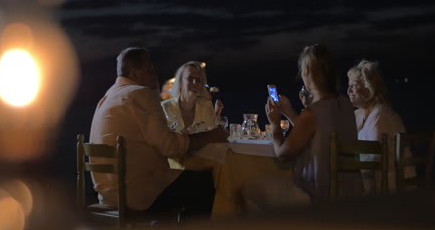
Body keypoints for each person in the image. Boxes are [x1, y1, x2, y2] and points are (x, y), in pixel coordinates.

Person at [89, 48, 228, 217]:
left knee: (186, 182)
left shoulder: (106, 98)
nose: (154, 74)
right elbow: (170, 147)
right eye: (150, 69)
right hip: (136, 194)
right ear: (136, 72)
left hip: (108, 194)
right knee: (204, 183)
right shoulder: (139, 94)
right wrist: (212, 135)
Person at [243, 44, 363, 209]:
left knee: (249, 187)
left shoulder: (312, 113)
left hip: (317, 195)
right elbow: (315, 133)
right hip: (350, 192)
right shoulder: (345, 105)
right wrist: (290, 112)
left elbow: (283, 153)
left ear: (307, 71)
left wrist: (275, 124)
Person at [347, 60, 415, 193]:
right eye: (348, 85)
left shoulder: (381, 114)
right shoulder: (358, 115)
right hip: (371, 179)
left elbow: (374, 156)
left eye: (354, 86)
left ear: (369, 87)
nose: (349, 90)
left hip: (389, 185)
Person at [161, 61, 222, 134]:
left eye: (198, 79)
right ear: (180, 82)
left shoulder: (206, 106)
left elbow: (213, 135)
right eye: (190, 78)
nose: (195, 82)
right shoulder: (165, 108)